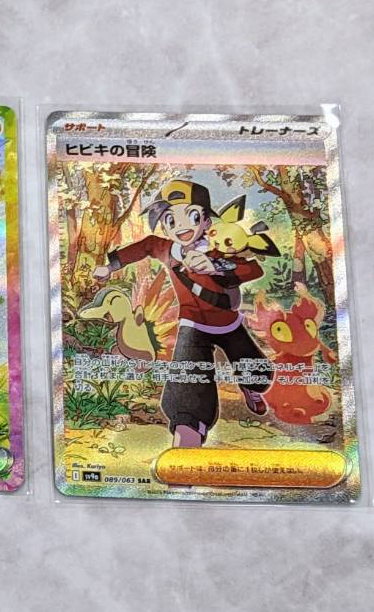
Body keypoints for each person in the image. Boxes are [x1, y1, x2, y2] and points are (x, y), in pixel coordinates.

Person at [92, 180, 270, 448]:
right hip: (193, 323)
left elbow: (253, 269)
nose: (181, 226)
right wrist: (110, 267)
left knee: (251, 364)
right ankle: (189, 428)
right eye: (171, 220)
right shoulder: (167, 249)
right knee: (186, 370)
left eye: (192, 216)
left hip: (227, 322)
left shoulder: (220, 247)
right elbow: (144, 246)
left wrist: (217, 267)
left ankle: (251, 389)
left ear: (206, 221)